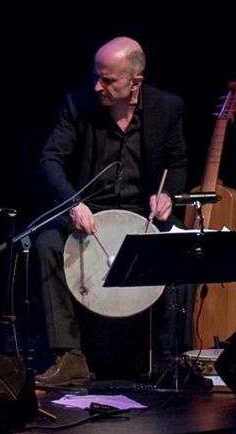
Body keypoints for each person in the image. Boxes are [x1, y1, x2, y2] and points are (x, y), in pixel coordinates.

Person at [34, 36, 189, 386]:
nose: (97, 86)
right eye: (96, 77)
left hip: (141, 212)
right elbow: (49, 160)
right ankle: (69, 356)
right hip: (89, 209)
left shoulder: (168, 107)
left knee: (183, 246)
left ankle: (169, 357)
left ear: (135, 82)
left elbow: (178, 162)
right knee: (46, 245)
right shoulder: (77, 105)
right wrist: (73, 203)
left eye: (107, 80)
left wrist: (167, 195)